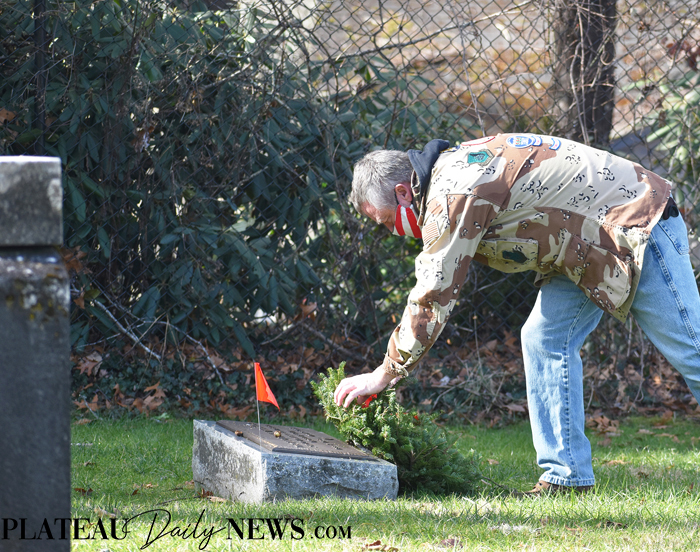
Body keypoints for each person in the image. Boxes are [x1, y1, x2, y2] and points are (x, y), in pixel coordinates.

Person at [333, 133, 700, 495]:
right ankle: (565, 478)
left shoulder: (452, 192)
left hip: (636, 223)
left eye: (385, 220)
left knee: (692, 351)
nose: (392, 231)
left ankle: (566, 473)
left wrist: (386, 372)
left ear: (403, 192)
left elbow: (433, 294)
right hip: (584, 245)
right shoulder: (451, 171)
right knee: (544, 340)